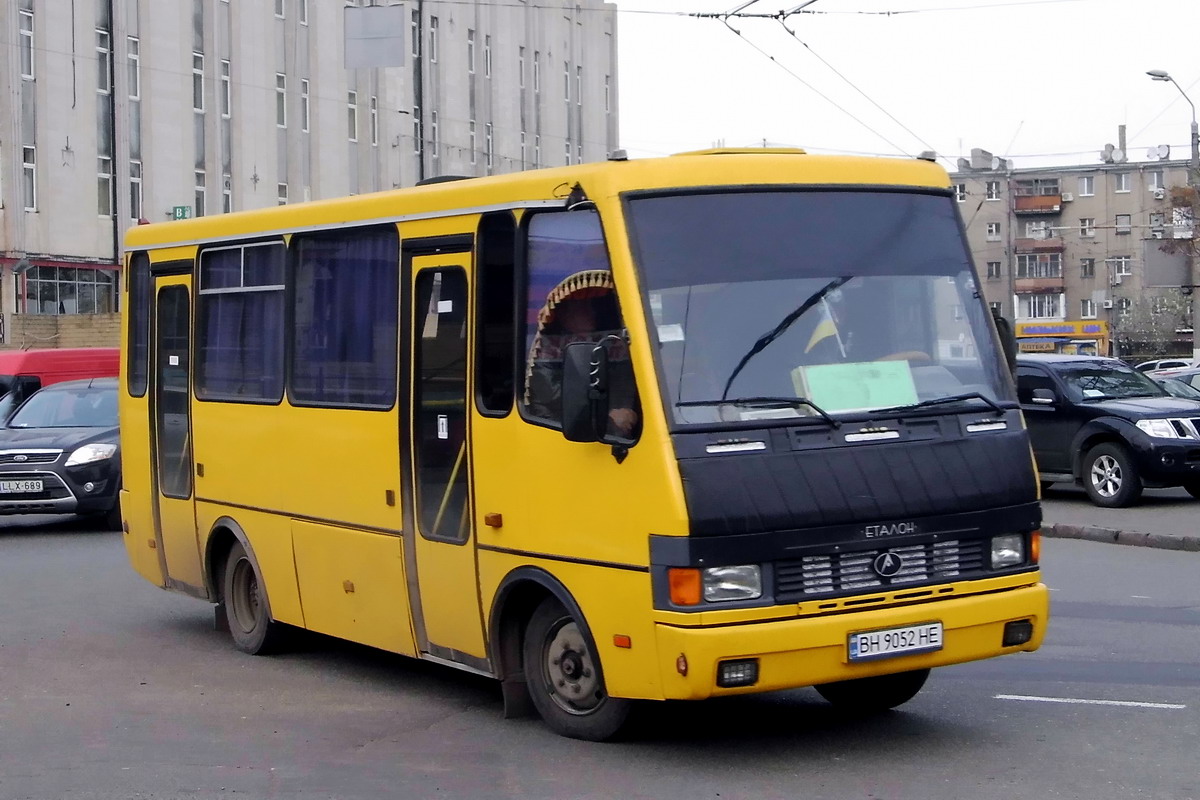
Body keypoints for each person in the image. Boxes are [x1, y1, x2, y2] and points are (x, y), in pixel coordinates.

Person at [524, 272, 639, 438]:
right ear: (564, 315)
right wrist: (609, 418)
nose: (592, 312)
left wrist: (631, 410)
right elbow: (553, 397)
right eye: (582, 308)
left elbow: (620, 381)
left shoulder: (607, 342)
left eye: (592, 306)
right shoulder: (549, 349)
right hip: (561, 431)